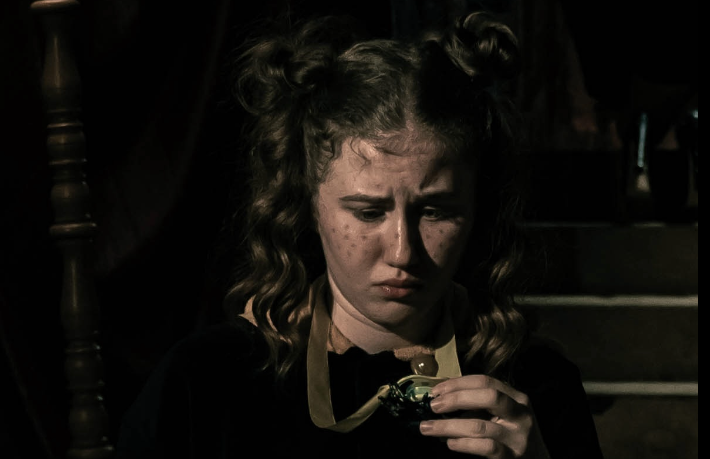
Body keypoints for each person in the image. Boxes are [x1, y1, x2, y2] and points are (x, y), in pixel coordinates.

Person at [115, 9, 604, 459]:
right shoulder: (207, 383)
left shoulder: (534, 387)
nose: (403, 252)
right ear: (309, 205)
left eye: (436, 212)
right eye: (369, 212)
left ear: (478, 210)